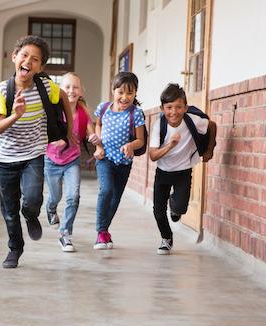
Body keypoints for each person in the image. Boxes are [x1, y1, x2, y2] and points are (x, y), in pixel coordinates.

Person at [0, 35, 73, 268]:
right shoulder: (1, 91)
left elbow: (65, 97)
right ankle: (15, 249)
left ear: (40, 67)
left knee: (33, 198)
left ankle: (31, 214)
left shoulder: (45, 87)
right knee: (9, 209)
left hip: (33, 154)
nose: (28, 61)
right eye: (24, 55)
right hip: (5, 157)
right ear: (15, 57)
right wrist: (15, 114)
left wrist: (70, 130)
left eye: (35, 59)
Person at [149, 83, 216, 255]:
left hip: (183, 171)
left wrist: (209, 149)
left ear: (185, 107)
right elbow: (153, 156)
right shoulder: (159, 125)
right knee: (158, 211)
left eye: (179, 107)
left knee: (180, 209)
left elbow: (212, 125)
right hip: (163, 172)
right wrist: (170, 145)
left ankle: (175, 206)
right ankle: (166, 238)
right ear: (162, 108)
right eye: (169, 107)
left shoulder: (193, 120)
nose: (174, 111)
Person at [44, 72, 100, 252]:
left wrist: (94, 138)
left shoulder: (83, 112)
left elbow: (90, 132)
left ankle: (65, 234)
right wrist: (56, 140)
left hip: (72, 161)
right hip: (52, 160)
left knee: (73, 196)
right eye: (67, 87)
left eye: (75, 87)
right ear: (60, 90)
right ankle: (51, 208)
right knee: (56, 196)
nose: (71, 90)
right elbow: (44, 132)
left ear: (81, 91)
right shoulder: (55, 110)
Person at [92, 72, 145, 250]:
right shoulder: (103, 107)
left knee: (115, 198)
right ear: (113, 90)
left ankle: (105, 230)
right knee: (106, 190)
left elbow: (141, 141)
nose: (124, 97)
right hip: (105, 158)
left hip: (124, 162)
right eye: (120, 92)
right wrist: (98, 144)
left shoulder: (136, 113)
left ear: (135, 93)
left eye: (129, 93)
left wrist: (131, 145)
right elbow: (98, 124)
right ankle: (100, 232)